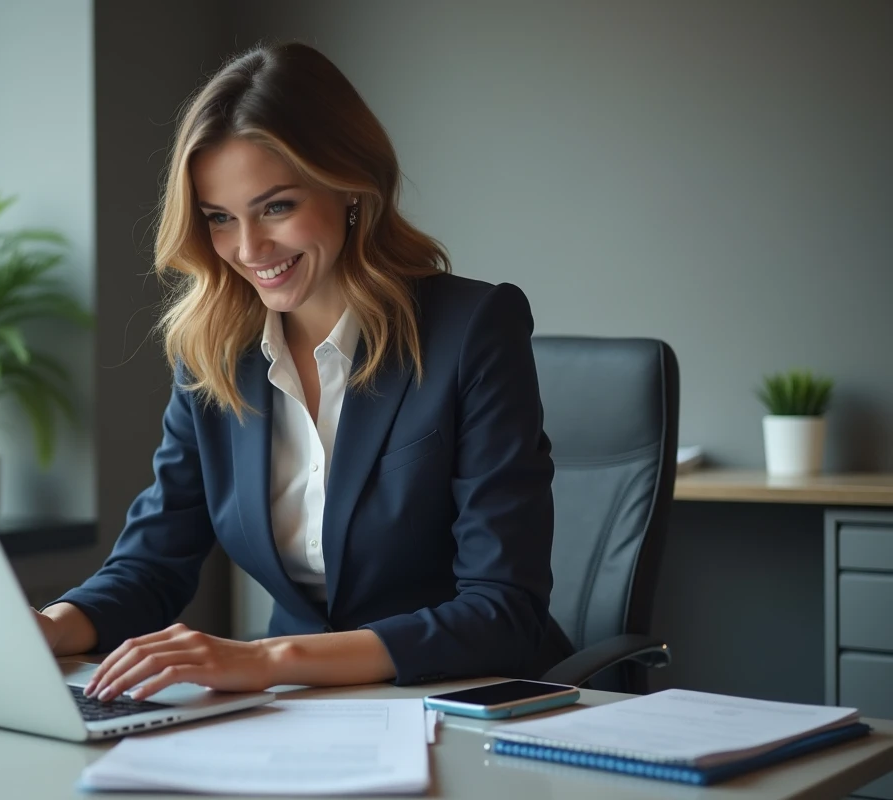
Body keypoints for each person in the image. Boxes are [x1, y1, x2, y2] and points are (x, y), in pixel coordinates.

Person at [34, 41, 555, 703]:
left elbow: (502, 613)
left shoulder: (472, 329)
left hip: (467, 705)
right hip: (301, 711)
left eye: (276, 206)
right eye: (220, 218)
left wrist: (269, 659)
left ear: (350, 187)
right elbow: (151, 563)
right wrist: (50, 627)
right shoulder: (213, 352)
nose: (248, 250)